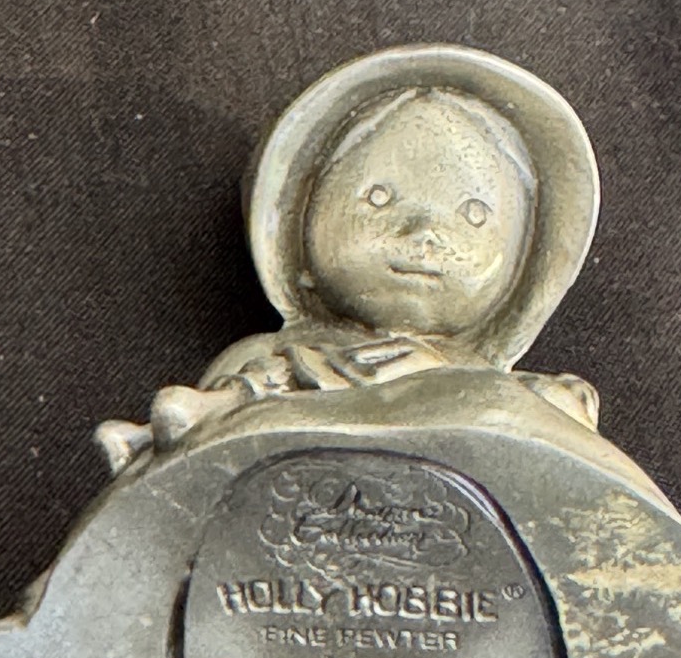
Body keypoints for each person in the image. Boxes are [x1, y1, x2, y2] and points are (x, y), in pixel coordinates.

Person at [96, 85, 598, 475]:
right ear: (296, 239)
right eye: (379, 198)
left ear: (524, 275)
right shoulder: (278, 356)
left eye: (473, 214)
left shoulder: (501, 387)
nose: (424, 233)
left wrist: (447, 381)